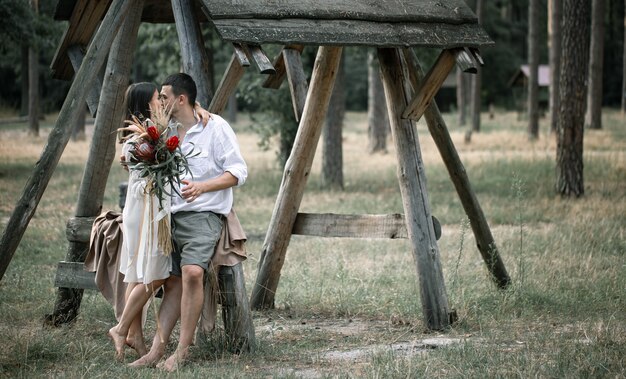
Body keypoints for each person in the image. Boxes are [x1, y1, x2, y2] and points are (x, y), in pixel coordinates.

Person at [129, 73, 247, 371]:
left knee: (193, 272)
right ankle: (156, 350)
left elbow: (238, 172)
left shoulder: (215, 127)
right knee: (173, 281)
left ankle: (182, 351)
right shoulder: (161, 129)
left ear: (181, 99)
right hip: (167, 216)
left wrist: (202, 187)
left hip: (203, 213)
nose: (161, 101)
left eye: (165, 96)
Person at [108, 82, 212, 361]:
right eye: (158, 99)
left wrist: (197, 107)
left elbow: (183, 113)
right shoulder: (145, 138)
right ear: (148, 105)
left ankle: (135, 338)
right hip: (147, 213)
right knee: (157, 274)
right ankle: (120, 329)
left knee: (138, 272)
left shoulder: (149, 132)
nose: (163, 103)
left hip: (141, 209)